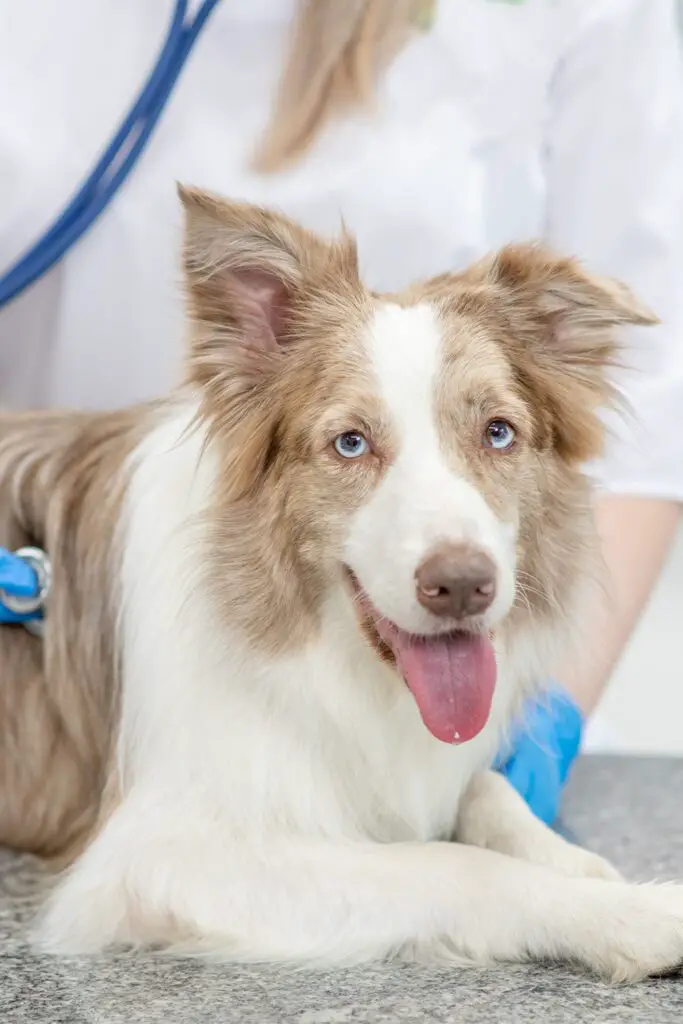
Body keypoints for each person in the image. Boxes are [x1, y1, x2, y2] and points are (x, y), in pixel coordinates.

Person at [1, 0, 682, 825]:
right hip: (88, 594)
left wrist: (546, 716)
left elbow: (651, 399)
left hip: (477, 686)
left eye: (495, 432)